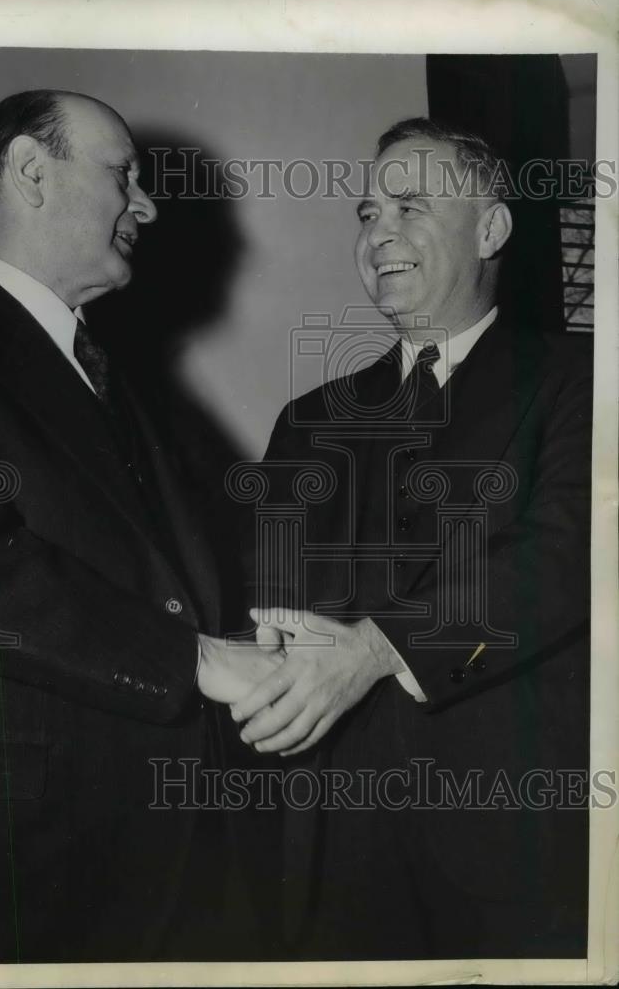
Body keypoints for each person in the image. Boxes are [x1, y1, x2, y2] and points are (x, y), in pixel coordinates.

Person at [0, 89, 280, 963]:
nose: (145, 205)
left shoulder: (119, 378)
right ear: (33, 173)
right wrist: (196, 659)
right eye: (124, 176)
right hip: (23, 861)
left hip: (176, 849)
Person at [232, 118, 592, 959]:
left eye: (409, 207)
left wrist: (378, 648)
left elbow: (567, 553)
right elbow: (269, 611)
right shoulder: (308, 420)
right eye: (366, 213)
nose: (377, 234)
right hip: (337, 853)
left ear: (492, 228)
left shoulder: (581, 380)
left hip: (521, 836)